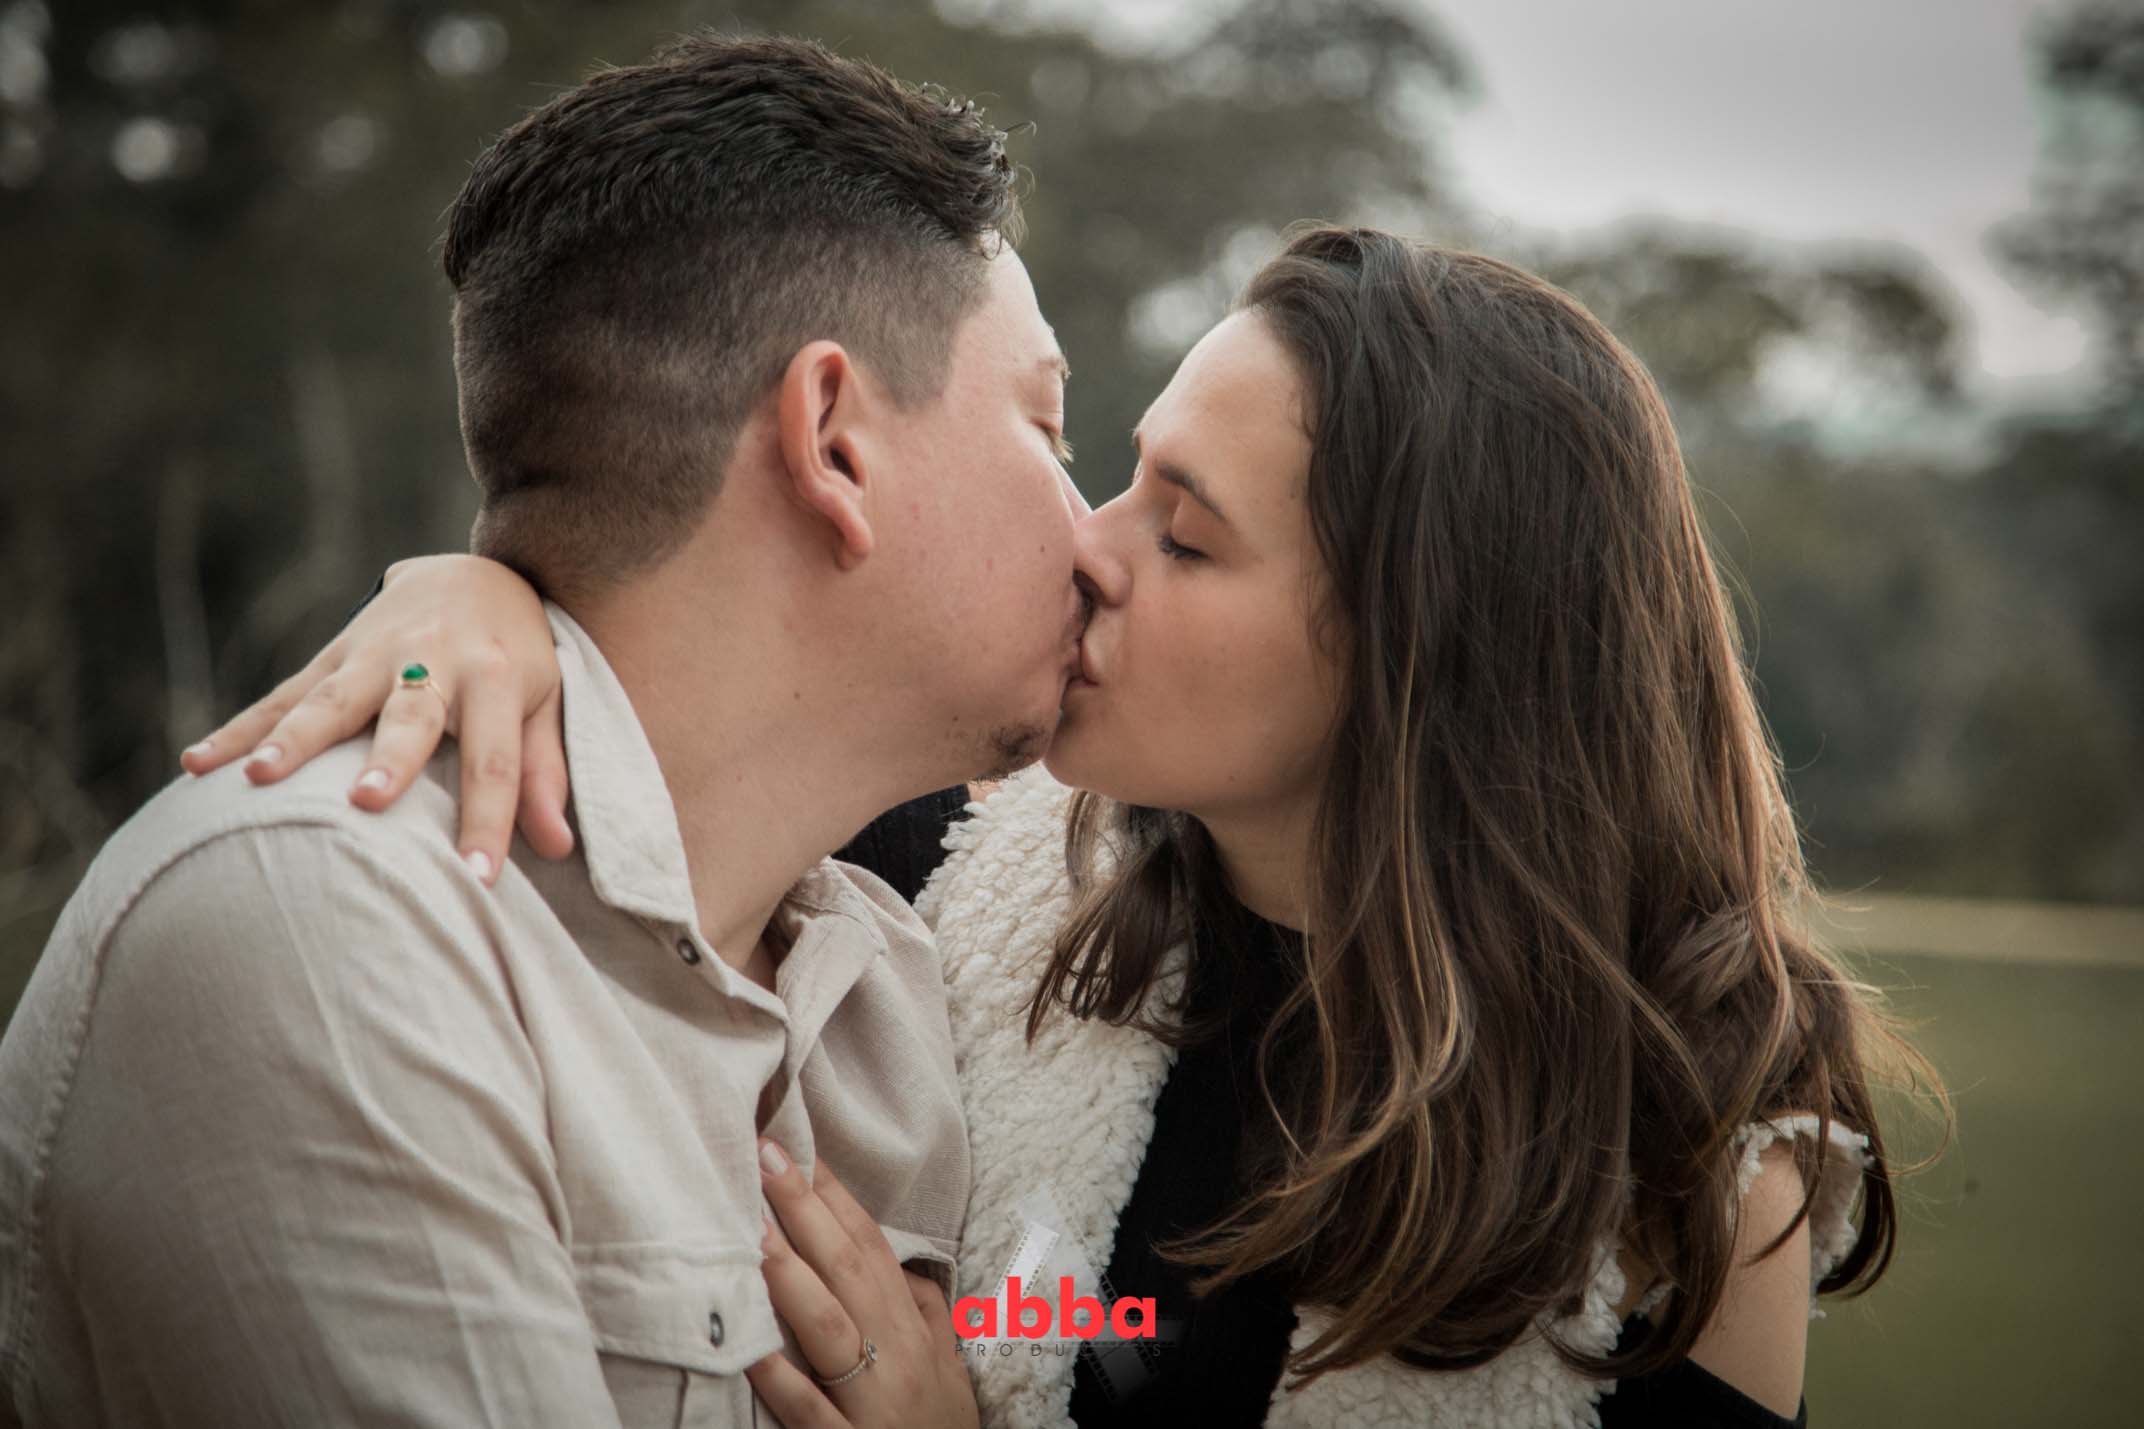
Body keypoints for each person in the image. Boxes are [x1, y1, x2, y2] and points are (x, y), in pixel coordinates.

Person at [193, 227, 1941, 1426]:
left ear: (1421, 661)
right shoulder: (946, 876)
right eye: (1118, 467)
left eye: (1186, 534)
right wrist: (488, 592)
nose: (1090, 546)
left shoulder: (1697, 1152)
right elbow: (676, 667)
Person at [0, 34, 1087, 1428]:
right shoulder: (332, 928)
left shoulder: (889, 986)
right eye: (1047, 427)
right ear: (833, 441)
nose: (1094, 532)